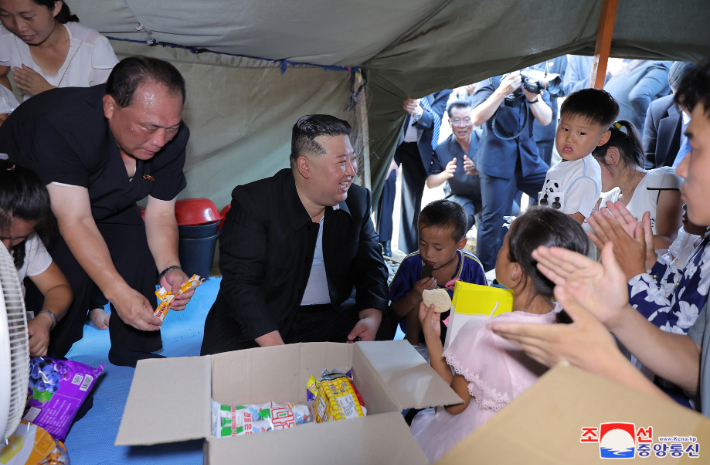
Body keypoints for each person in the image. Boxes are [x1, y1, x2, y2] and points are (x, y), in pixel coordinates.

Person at [487, 61, 710, 414]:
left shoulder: (658, 182)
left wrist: (607, 358)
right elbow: (691, 346)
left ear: (608, 149)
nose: (681, 168)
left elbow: (694, 371)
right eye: (565, 129)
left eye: (695, 148)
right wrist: (642, 271)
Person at [0, 56, 196, 367]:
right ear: (109, 107)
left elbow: (160, 215)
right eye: (148, 127)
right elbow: (75, 219)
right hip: (45, 202)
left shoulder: (172, 138)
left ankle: (134, 348)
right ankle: (45, 363)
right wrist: (116, 293)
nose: (160, 141)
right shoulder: (62, 124)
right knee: (71, 276)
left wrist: (169, 269)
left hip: (107, 198)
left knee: (139, 256)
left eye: (170, 128)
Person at [409, 208, 588, 462]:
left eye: (504, 245)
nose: (499, 251)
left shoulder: (484, 334)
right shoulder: (577, 327)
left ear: (515, 271)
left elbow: (454, 404)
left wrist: (431, 336)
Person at [200, 115, 388, 355]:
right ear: (305, 167)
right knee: (226, 373)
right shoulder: (254, 203)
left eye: (353, 159)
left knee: (382, 329)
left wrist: (371, 316)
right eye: (341, 162)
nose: (352, 171)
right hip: (265, 318)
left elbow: (372, 267)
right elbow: (240, 283)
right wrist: (278, 352)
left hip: (329, 315)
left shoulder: (358, 200)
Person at [470, 72, 553, 271]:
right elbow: (476, 118)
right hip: (496, 160)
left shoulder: (532, 76)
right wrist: (501, 91)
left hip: (528, 158)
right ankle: (486, 277)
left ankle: (536, 257)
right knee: (493, 221)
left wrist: (533, 98)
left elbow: (546, 119)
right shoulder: (491, 78)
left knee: (556, 192)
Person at [389, 200, 486, 346]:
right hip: (418, 337)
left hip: (457, 341)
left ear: (461, 244)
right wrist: (414, 295)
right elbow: (394, 312)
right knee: (420, 300)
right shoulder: (411, 264)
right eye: (422, 244)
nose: (428, 254)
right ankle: (412, 345)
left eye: (438, 248)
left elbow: (482, 313)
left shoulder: (472, 268)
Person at [0, 161, 72, 357]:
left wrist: (46, 318)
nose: (6, 248)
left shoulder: (27, 241)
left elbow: (57, 287)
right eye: (1, 238)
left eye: (18, 238)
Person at [0, 0, 118, 102]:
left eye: (28, 17)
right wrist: (7, 112)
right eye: (5, 15)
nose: (19, 27)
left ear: (56, 7)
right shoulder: (7, 38)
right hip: (32, 124)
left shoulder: (92, 45)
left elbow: (110, 105)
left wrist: (47, 91)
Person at [593, 120, 682, 250]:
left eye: (591, 168)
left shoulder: (664, 180)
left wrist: (615, 240)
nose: (588, 177)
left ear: (612, 156)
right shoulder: (607, 201)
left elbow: (670, 242)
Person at [386, 91, 452, 255]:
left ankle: (407, 250)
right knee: (387, 183)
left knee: (412, 198)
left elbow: (435, 119)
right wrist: (388, 155)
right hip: (393, 141)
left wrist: (419, 112)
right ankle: (383, 241)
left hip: (418, 148)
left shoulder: (444, 89)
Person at [538, 88, 616, 223]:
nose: (570, 138)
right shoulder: (567, 165)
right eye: (565, 129)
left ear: (602, 138)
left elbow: (572, 224)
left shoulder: (584, 175)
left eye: (581, 133)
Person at [426, 101, 482, 232]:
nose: (462, 126)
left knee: (510, 213)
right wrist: (446, 173)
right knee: (459, 220)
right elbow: (430, 183)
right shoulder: (441, 149)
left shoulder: (485, 140)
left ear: (473, 120)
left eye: (467, 120)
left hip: (488, 192)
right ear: (449, 122)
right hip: (459, 195)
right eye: (456, 120)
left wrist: (479, 169)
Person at [643, 62, 697, 168]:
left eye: (691, 98)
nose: (685, 105)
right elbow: (647, 162)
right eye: (678, 98)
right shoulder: (657, 110)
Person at [604, 60, 672, 134]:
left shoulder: (638, 64)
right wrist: (652, 125)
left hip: (607, 126)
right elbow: (638, 96)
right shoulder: (664, 67)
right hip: (623, 134)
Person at [532, 57, 568, 166]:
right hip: (515, 130)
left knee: (541, 176)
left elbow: (563, 87)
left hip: (543, 128)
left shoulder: (558, 57)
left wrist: (544, 87)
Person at [376, 158, 398, 257]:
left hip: (415, 146)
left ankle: (411, 247)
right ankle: (384, 239)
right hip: (393, 146)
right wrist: (391, 159)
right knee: (388, 175)